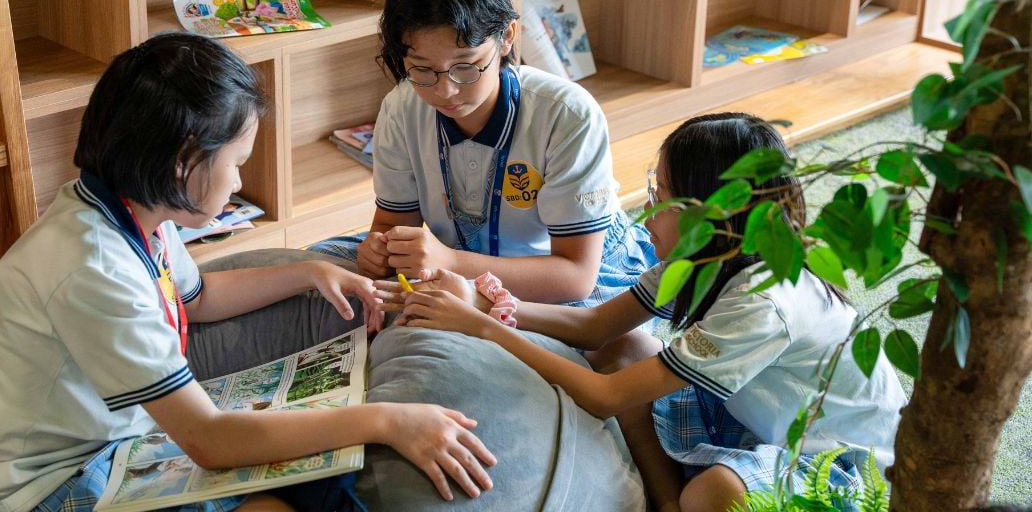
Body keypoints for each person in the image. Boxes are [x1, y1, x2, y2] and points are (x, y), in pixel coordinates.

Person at [0, 33, 494, 512]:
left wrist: (309, 271)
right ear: (184, 160)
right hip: (38, 486)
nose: (237, 183)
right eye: (235, 163)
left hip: (121, 438)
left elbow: (197, 298)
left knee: (320, 482)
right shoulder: (91, 267)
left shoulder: (131, 214)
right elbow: (208, 440)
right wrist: (387, 419)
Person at [378, 112, 906, 512]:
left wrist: (482, 328)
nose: (645, 211)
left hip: (843, 465)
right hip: (763, 417)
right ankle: (665, 501)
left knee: (715, 491)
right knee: (625, 348)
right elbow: (594, 325)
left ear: (709, 213)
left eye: (661, 195)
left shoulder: (764, 302)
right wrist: (483, 302)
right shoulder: (702, 256)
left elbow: (605, 399)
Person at [308, 0, 655, 312]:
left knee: (604, 349)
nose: (446, 90)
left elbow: (575, 276)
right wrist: (379, 249)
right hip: (455, 259)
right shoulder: (401, 108)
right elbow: (394, 223)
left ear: (507, 36)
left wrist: (452, 264)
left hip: (567, 268)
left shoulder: (566, 114)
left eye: (466, 65)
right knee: (315, 271)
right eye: (422, 69)